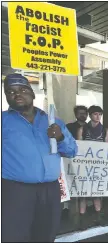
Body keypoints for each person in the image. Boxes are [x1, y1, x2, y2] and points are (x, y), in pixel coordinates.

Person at [2, 73, 78, 242]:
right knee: (14, 236)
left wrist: (60, 138)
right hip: (15, 191)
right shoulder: (3, 121)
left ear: (32, 93)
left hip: (50, 191)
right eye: (10, 92)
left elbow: (72, 151)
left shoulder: (53, 121)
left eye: (22, 89)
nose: (17, 94)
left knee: (46, 235)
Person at [76, 105, 108, 229]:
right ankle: (82, 221)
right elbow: (78, 147)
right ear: (90, 115)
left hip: (98, 167)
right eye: (95, 114)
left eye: (100, 114)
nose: (98, 116)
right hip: (85, 167)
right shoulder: (82, 129)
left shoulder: (105, 130)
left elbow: (107, 148)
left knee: (97, 193)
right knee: (83, 193)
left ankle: (98, 218)